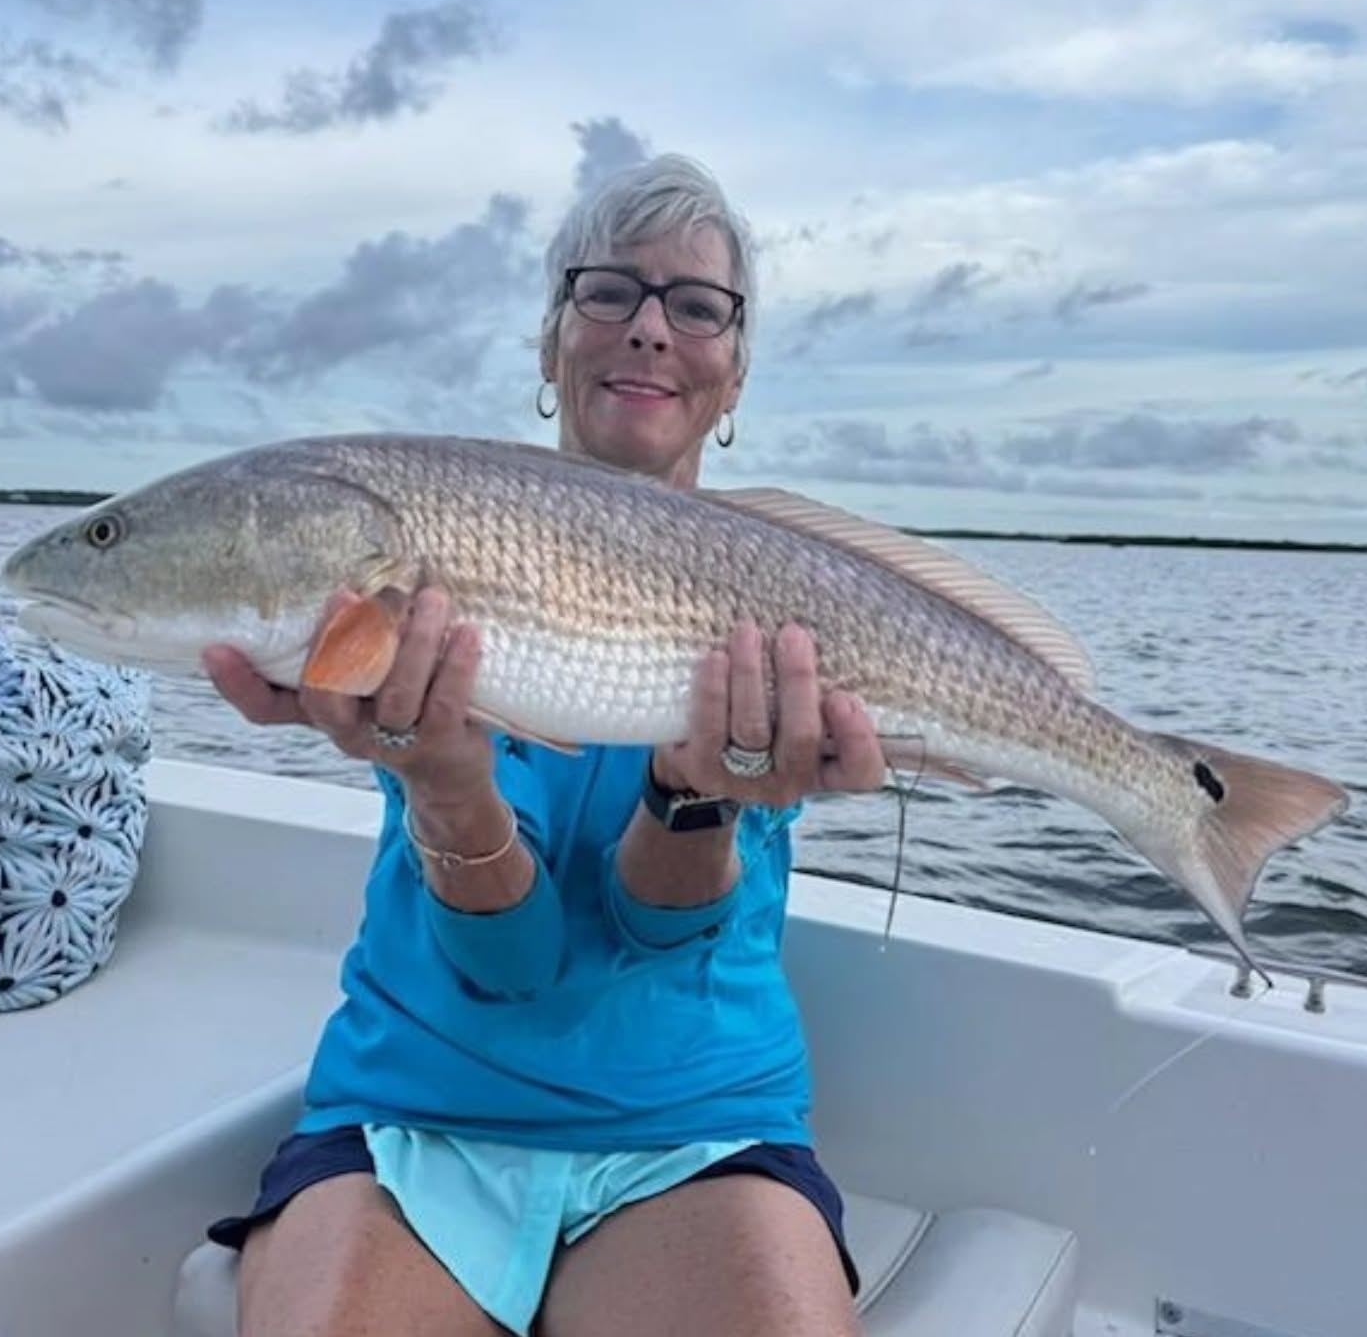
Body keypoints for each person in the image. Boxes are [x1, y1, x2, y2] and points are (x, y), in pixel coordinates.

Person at [201, 154, 887, 1337]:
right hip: (419, 1105)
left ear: (737, 368)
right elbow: (508, 960)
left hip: (701, 1121)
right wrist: (446, 779)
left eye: (697, 304)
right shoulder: (437, 542)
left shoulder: (782, 593)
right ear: (550, 340)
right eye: (608, 291)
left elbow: (656, 922)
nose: (651, 330)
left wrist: (697, 796)